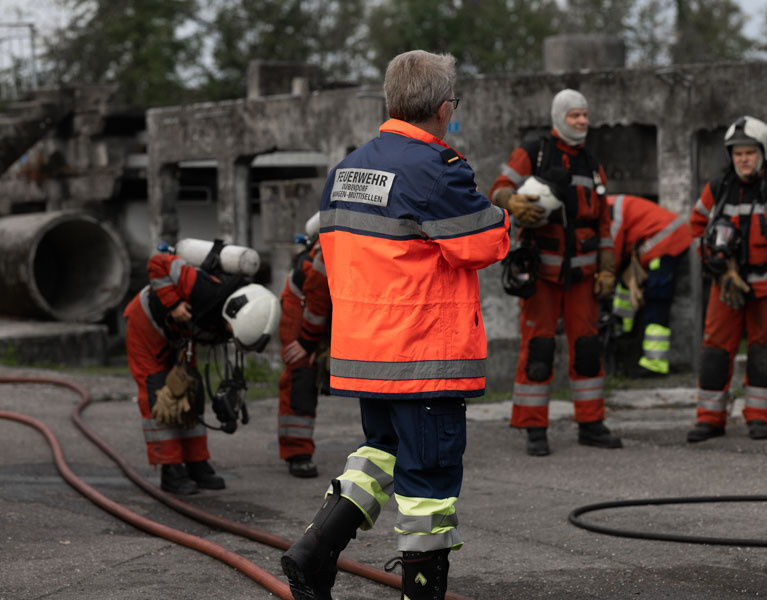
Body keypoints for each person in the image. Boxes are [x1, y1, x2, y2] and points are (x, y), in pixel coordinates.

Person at [280, 50, 509, 600]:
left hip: (368, 357)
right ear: (444, 107)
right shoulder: (436, 169)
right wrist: (506, 213)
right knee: (429, 483)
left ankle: (314, 549)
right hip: (423, 358)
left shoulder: (346, 170)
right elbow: (485, 244)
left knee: (381, 451)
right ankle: (421, 592)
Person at [489, 88, 620, 457]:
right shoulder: (534, 151)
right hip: (540, 274)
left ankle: (591, 424)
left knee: (587, 349)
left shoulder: (592, 163)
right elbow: (498, 190)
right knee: (538, 348)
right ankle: (534, 428)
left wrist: (607, 269)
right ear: (559, 117)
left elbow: (604, 224)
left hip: (583, 277)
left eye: (585, 115)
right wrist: (512, 202)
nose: (582, 121)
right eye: (575, 115)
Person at [123, 250, 280, 494]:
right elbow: (157, 262)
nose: (227, 333)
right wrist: (173, 304)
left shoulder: (237, 312)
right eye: (230, 330)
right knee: (159, 396)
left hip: (181, 338)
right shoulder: (202, 287)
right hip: (146, 327)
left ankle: (197, 462)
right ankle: (171, 468)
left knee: (192, 394)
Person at [686, 115, 767, 443]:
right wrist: (717, 267)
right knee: (715, 350)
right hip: (726, 285)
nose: (743, 159)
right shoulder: (718, 188)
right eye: (737, 153)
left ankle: (759, 417)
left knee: (763, 351)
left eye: (750, 152)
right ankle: (709, 418)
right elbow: (696, 227)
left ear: (764, 152)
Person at [607, 194, 692, 377]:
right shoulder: (608, 206)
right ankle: (623, 332)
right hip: (658, 238)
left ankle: (655, 363)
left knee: (656, 297)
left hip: (667, 240)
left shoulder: (610, 212)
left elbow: (611, 255)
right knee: (624, 286)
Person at [277, 212, 330, 478]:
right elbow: (318, 297)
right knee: (300, 373)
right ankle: (297, 451)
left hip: (325, 312)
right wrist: (308, 341)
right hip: (301, 310)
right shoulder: (324, 253)